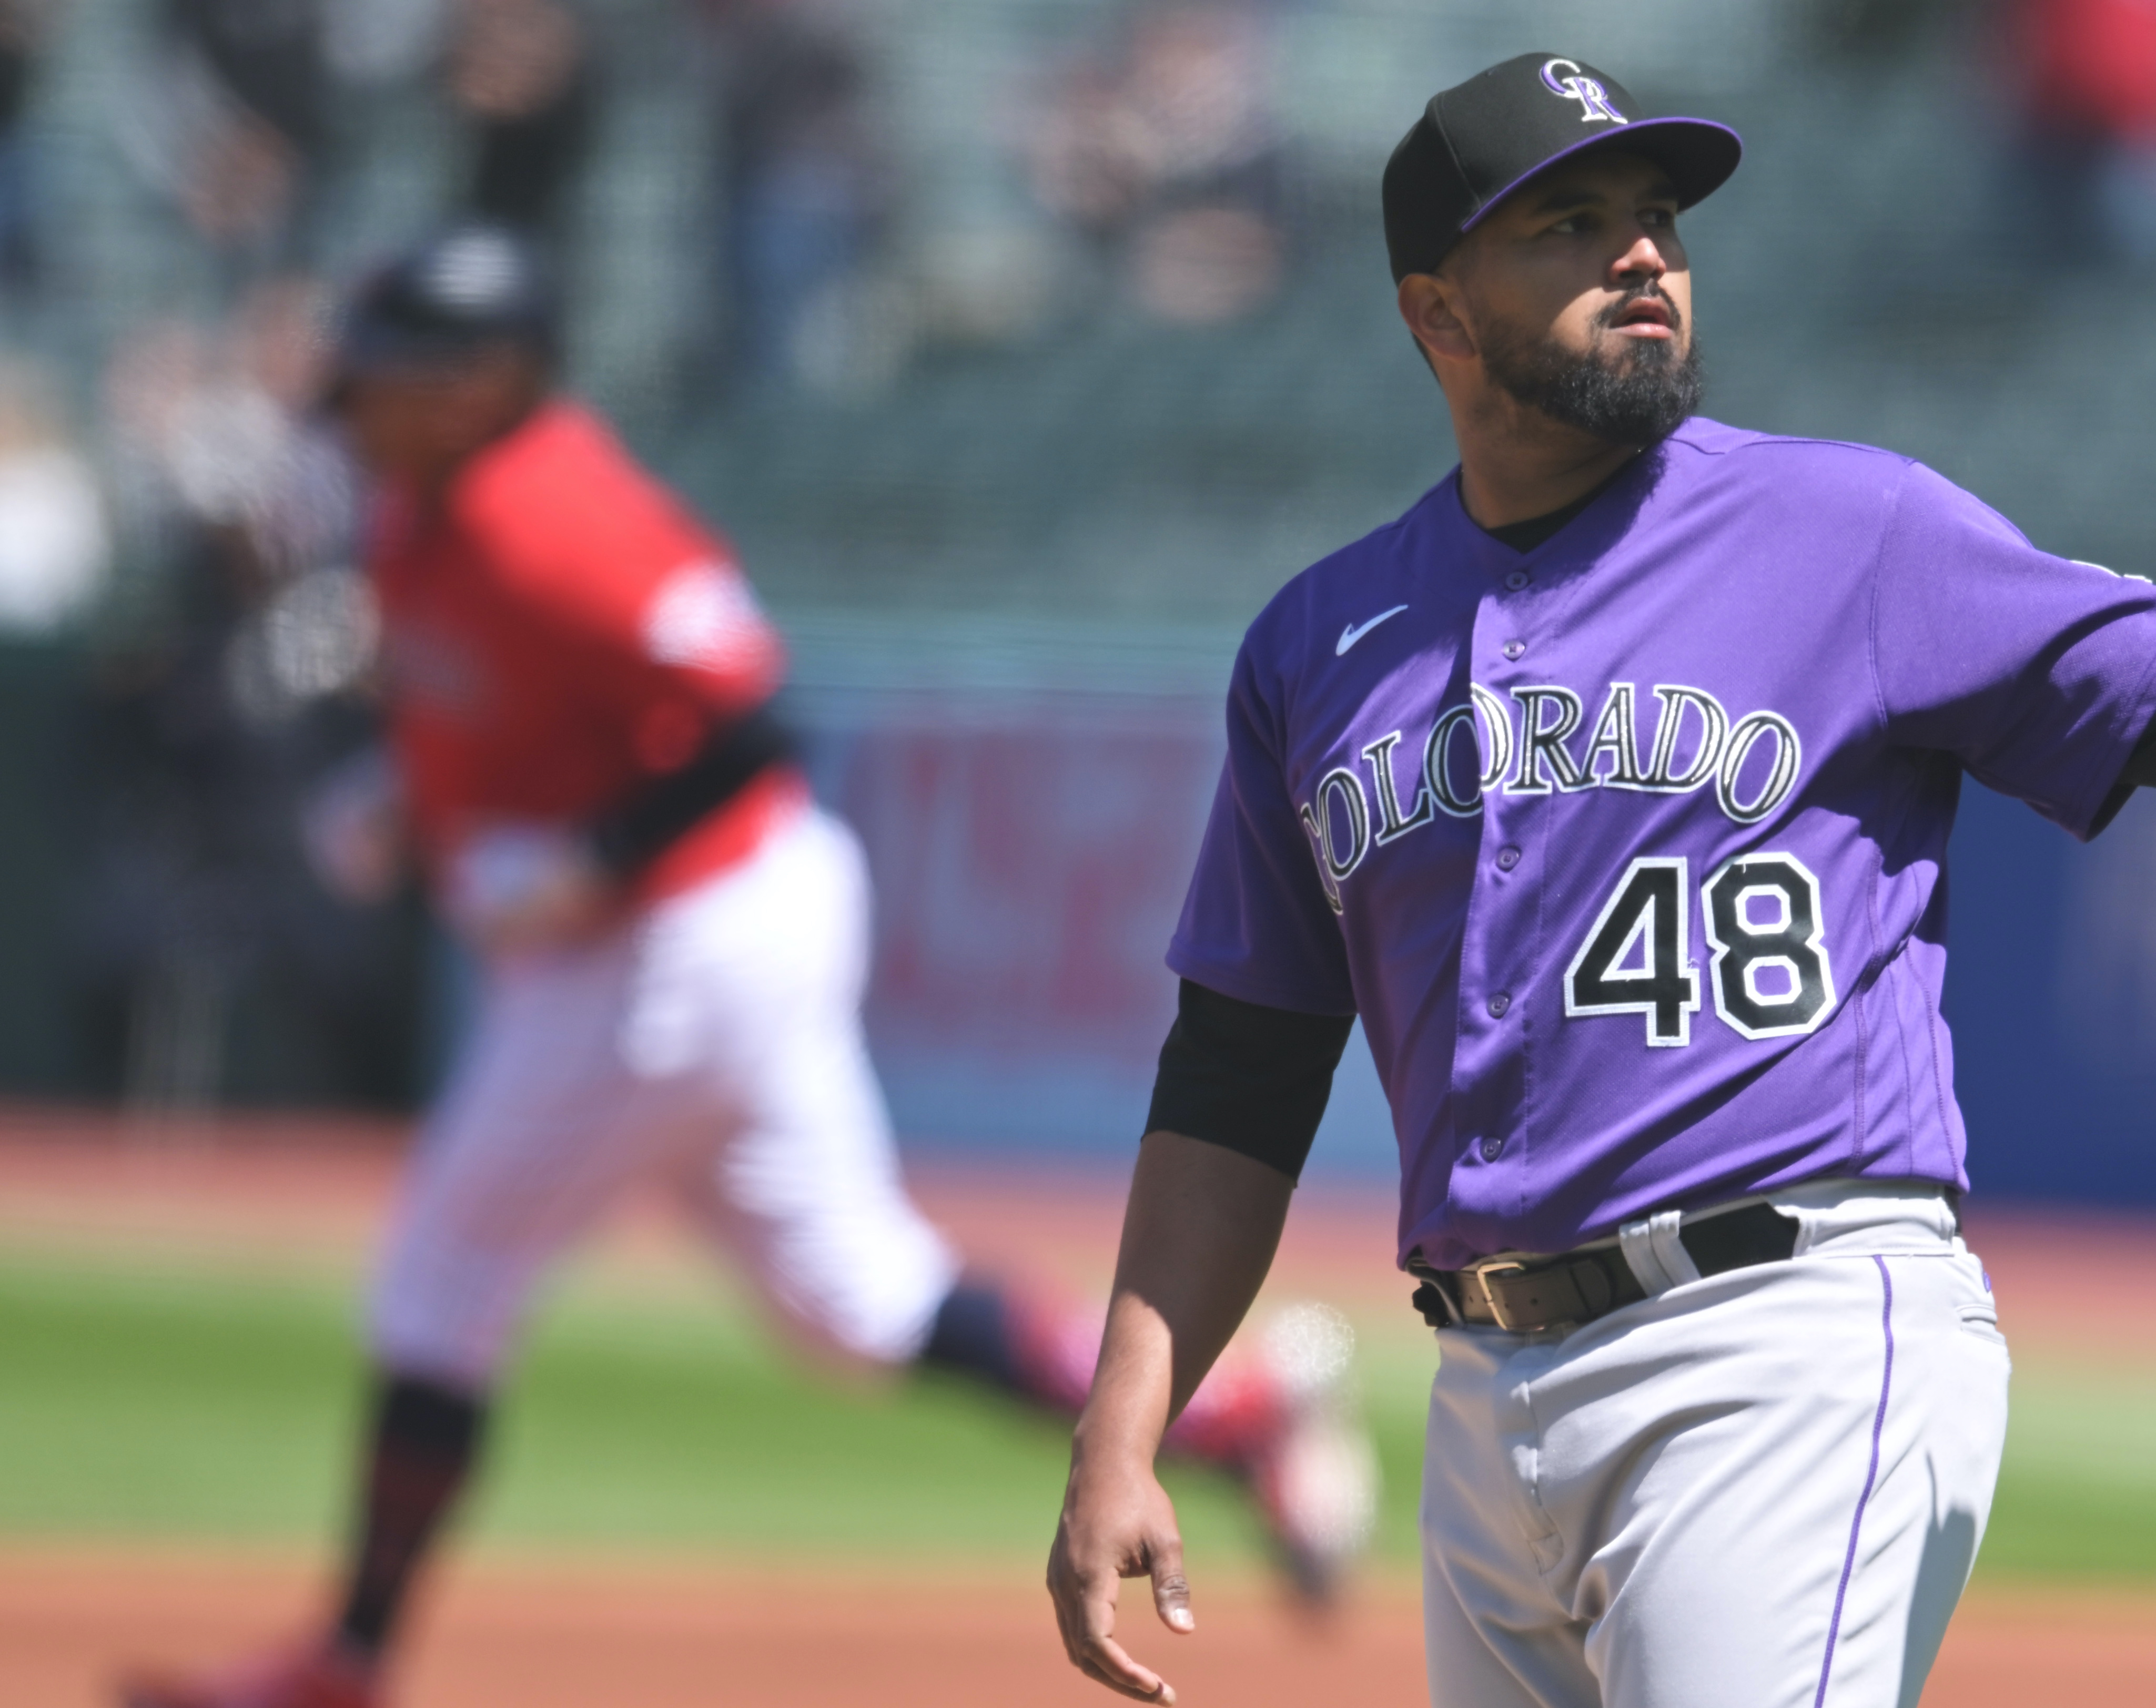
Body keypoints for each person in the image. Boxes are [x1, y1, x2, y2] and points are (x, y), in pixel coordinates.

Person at [1044, 53, 2156, 1708]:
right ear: (1436, 315)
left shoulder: (1851, 532)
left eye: (1658, 217)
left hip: (1784, 1342)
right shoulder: (1319, 643)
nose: (1642, 255)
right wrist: (1125, 1424)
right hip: (1483, 1386)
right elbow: (1238, 1068)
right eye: (1572, 224)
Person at [122, 223, 1374, 1708]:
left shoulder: (559, 513)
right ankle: (1233, 1420)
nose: (361, 396)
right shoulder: (413, 510)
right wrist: (409, 799)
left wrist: (587, 857)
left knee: (439, 1276)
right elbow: (500, 701)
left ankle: (346, 1662)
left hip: (685, 937)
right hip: (676, 940)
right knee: (853, 1301)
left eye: (397, 373)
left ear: (485, 382)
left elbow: (749, 715)